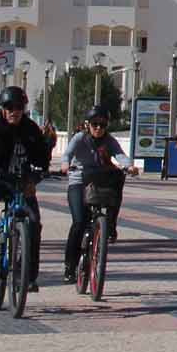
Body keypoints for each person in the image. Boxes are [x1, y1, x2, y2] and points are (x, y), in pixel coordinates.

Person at [0, 86, 52, 289]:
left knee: (33, 222)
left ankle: (28, 277)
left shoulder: (30, 129)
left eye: (19, 107)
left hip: (22, 182)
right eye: (9, 107)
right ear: (2, 109)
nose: (14, 111)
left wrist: (35, 179)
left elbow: (42, 159)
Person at [62, 105, 132, 284]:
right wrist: (65, 165)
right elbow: (67, 154)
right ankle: (70, 266)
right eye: (95, 124)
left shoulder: (109, 140)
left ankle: (110, 223)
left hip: (99, 180)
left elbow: (120, 155)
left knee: (118, 178)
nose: (99, 128)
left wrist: (129, 165)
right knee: (79, 222)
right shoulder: (80, 138)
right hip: (79, 180)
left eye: (102, 124)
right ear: (88, 125)